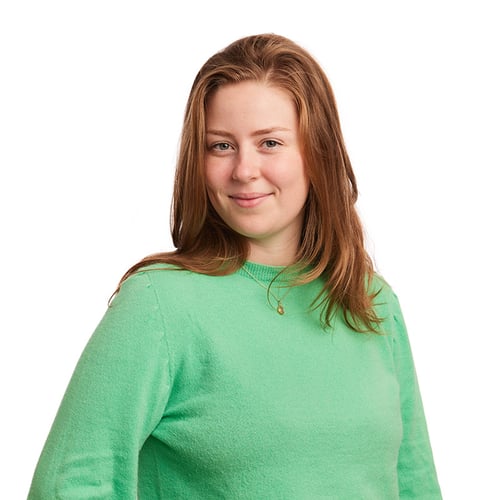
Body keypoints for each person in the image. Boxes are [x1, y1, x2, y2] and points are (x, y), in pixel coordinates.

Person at [28, 33, 442, 499]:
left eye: (270, 142)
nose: (244, 170)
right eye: (221, 146)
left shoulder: (373, 302)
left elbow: (416, 487)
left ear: (318, 152)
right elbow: (68, 486)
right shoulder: (160, 305)